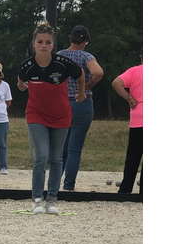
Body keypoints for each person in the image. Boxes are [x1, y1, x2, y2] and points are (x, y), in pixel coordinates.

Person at [17, 21, 86, 214]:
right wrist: (21, 86)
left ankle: (52, 199)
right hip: (36, 114)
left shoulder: (63, 63)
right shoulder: (27, 65)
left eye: (48, 42)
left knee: (56, 158)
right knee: (42, 155)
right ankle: (37, 199)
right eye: (40, 42)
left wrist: (81, 94)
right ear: (34, 43)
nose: (44, 46)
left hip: (61, 115)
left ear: (53, 44)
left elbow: (81, 75)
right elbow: (21, 80)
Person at [57, 25, 104, 191]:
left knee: (62, 147)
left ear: (70, 38)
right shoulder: (86, 56)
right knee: (74, 148)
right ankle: (68, 185)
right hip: (81, 103)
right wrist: (88, 86)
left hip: (62, 103)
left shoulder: (59, 56)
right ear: (85, 41)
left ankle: (54, 183)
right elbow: (98, 73)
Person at [111, 53, 143, 194]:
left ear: (142, 56)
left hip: (138, 116)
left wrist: (129, 98)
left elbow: (116, 83)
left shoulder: (134, 71)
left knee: (133, 156)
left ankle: (125, 189)